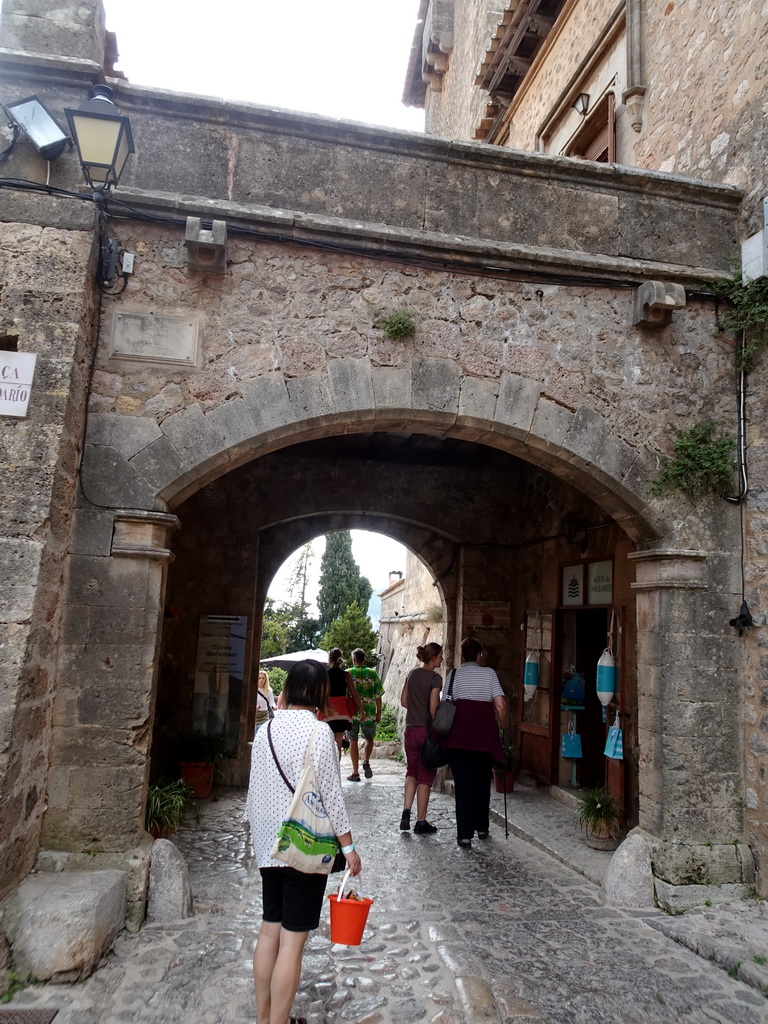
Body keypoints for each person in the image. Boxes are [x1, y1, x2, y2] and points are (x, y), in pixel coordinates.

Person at [245, 660, 362, 1024]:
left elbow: (254, 790)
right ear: (319, 694)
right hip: (305, 845)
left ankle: (264, 1018)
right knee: (293, 943)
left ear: (289, 688)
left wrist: (260, 836)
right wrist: (349, 848)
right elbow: (331, 796)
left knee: (269, 931)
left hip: (269, 844)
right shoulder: (319, 733)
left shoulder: (264, 731)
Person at [442, 637, 507, 849]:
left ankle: (464, 835)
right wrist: (503, 726)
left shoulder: (453, 675)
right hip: (483, 737)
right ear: (479, 655)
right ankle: (482, 828)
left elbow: (446, 703)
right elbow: (500, 705)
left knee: (463, 786)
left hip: (459, 738)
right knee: (482, 783)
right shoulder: (489, 674)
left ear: (463, 655)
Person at [399, 642, 443, 834]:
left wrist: (416, 710)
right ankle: (421, 821)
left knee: (412, 771)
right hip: (425, 731)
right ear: (433, 658)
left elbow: (404, 701)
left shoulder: (412, 674)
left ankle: (406, 811)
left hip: (410, 729)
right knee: (425, 776)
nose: (442, 659)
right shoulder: (435, 678)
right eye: (440, 655)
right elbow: (434, 708)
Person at [345, 648, 383, 782]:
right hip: (369, 712)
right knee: (369, 738)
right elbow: (378, 695)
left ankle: (355, 772)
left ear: (353, 660)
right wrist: (379, 712)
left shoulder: (348, 673)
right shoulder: (372, 673)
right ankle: (366, 760)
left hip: (352, 713)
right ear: (365, 660)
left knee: (353, 741)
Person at [319, 648, 363, 756]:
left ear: (329, 659)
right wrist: (361, 709)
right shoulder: (345, 674)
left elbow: (320, 693)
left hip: (327, 711)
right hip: (342, 712)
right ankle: (337, 770)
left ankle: (329, 768)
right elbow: (354, 693)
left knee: (327, 743)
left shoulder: (324, 674)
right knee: (338, 744)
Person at [254, 669, 276, 734]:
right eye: (259, 678)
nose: (261, 680)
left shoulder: (269, 690)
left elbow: (271, 702)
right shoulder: (252, 689)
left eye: (263, 678)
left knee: (262, 732)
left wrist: (274, 707)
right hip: (254, 715)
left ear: (265, 680)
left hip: (264, 715)